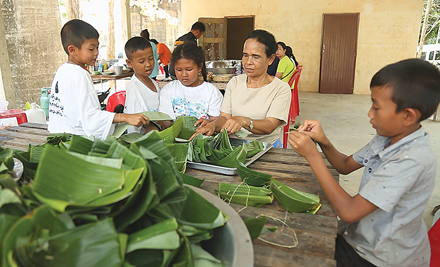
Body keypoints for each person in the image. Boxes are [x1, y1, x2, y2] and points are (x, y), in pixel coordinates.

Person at [288, 58, 440, 267]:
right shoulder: (387, 137)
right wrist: (322, 141)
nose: (370, 113)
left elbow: (349, 212)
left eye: (376, 107)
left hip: (380, 258)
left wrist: (312, 156)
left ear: (407, 116)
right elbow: (344, 165)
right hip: (360, 237)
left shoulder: (411, 159)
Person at [48, 19, 148, 140]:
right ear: (72, 50)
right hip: (75, 142)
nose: (96, 52)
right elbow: (91, 119)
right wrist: (125, 117)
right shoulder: (80, 74)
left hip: (58, 138)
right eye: (91, 49)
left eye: (97, 47)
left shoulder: (62, 70)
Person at [191, 30, 291, 146]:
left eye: (256, 57)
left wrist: (244, 121)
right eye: (245, 55)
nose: (248, 62)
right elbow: (224, 117)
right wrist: (212, 125)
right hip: (233, 144)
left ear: (270, 59)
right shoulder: (235, 82)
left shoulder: (280, 88)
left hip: (265, 146)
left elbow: (270, 125)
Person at [158, 42, 223, 124]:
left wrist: (208, 123)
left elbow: (216, 120)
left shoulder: (211, 91)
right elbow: (166, 121)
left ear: (199, 67)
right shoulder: (168, 90)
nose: (184, 74)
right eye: (179, 70)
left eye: (189, 70)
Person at [124, 37, 164, 134]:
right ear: (130, 63)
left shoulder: (153, 82)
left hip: (156, 132)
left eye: (151, 59)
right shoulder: (134, 86)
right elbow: (139, 119)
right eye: (142, 61)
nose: (148, 64)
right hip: (142, 138)